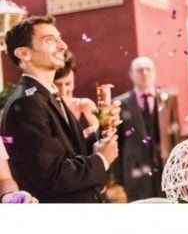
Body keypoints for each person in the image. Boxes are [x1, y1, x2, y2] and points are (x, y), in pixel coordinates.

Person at [0, 15, 119, 202]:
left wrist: (102, 131)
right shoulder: (25, 104)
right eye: (49, 40)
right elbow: (53, 177)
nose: (62, 45)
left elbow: (71, 154)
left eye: (59, 39)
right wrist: (102, 160)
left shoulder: (49, 96)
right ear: (24, 53)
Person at [112, 56, 180, 201]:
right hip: (135, 174)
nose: (144, 73)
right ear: (131, 74)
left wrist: (176, 168)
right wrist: (120, 177)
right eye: (140, 70)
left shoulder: (168, 99)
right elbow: (116, 143)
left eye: (148, 69)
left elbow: (175, 135)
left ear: (154, 72)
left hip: (165, 171)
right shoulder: (119, 103)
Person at [54, 51, 99, 139]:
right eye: (58, 85)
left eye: (68, 84)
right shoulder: (45, 108)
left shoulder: (85, 105)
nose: (63, 90)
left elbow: (100, 137)